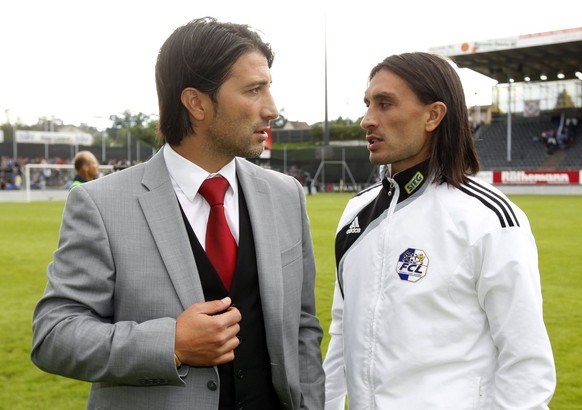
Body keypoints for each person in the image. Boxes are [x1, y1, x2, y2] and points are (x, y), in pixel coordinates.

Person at [32, 17, 324, 410]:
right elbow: (54, 335)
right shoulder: (102, 204)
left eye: (269, 88)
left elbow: (303, 329)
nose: (271, 109)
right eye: (255, 90)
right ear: (196, 103)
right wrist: (171, 344)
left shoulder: (286, 194)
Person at [323, 52, 556, 409]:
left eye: (385, 104)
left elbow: (526, 360)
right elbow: (342, 332)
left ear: (433, 115)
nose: (367, 119)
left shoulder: (488, 218)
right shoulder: (357, 213)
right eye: (368, 103)